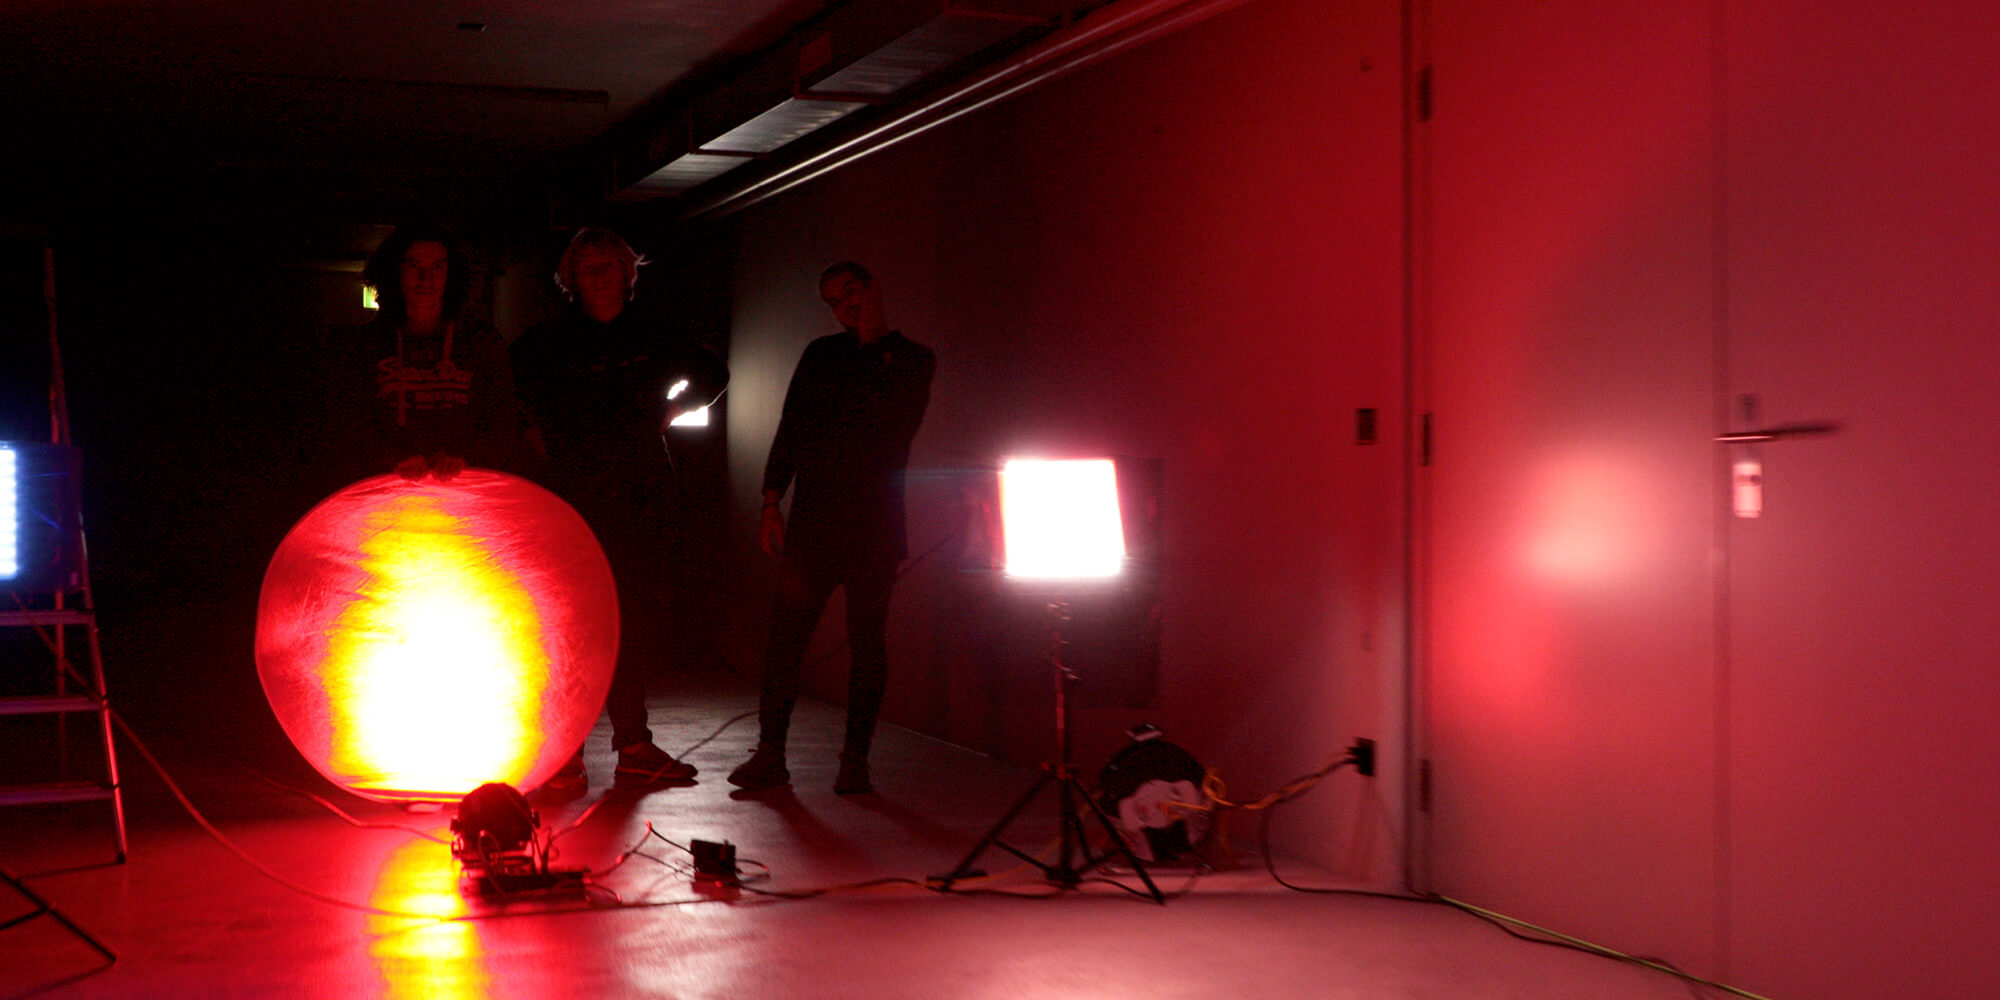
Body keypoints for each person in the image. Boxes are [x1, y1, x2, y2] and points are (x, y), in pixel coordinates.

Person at [511, 227, 728, 788]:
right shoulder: (551, 339)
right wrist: (532, 434)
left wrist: (671, 412)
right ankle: (566, 754)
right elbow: (505, 385)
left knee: (630, 621)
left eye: (608, 265)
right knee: (571, 623)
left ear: (628, 273)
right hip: (573, 495)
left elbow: (713, 373)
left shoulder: (654, 332)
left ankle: (633, 744)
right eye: (588, 268)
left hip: (640, 494)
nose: (600, 275)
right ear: (572, 279)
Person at [728, 262, 935, 795]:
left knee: (867, 643)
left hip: (874, 525)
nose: (844, 305)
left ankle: (855, 761)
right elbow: (792, 426)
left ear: (872, 288)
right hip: (816, 522)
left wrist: (872, 339)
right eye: (833, 300)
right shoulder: (821, 355)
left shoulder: (913, 360)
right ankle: (771, 753)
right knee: (786, 639)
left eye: (850, 292)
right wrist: (771, 500)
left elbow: (895, 425)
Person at [335, 223, 524, 486]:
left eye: (437, 267)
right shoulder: (368, 345)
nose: (426, 279)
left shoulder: (481, 342)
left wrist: (466, 458)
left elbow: (502, 421)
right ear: (396, 272)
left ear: (451, 274)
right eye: (414, 267)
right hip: (387, 489)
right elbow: (351, 423)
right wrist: (392, 459)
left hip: (467, 488)